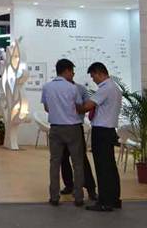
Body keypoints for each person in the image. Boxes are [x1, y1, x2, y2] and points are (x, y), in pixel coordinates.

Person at [78, 62, 122, 212]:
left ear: (99, 73)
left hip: (102, 131)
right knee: (110, 167)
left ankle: (104, 202)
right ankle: (114, 199)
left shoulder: (105, 89)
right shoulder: (114, 87)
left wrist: (71, 105)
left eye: (93, 76)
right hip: (109, 131)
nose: (93, 79)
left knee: (102, 168)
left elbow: (87, 106)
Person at [41, 59, 85, 207]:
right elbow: (78, 106)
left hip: (55, 128)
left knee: (55, 163)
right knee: (77, 163)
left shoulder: (47, 87)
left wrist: (58, 111)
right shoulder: (73, 88)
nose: (73, 74)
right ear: (66, 70)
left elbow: (47, 108)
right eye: (72, 71)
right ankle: (78, 197)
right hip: (73, 128)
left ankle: (54, 197)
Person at [60, 79, 97, 200]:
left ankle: (90, 189)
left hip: (76, 127)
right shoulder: (57, 88)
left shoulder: (81, 89)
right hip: (61, 127)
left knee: (81, 159)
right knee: (63, 158)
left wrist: (76, 107)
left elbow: (87, 106)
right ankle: (69, 185)